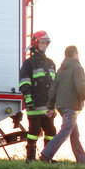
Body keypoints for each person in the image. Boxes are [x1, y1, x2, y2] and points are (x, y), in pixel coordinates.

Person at [40, 46, 85, 164]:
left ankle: (82, 161)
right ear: (74, 54)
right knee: (65, 132)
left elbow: (53, 89)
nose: (79, 55)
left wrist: (50, 107)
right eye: (78, 53)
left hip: (61, 106)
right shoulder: (77, 67)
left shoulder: (61, 70)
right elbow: (81, 88)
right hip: (71, 106)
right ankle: (46, 154)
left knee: (74, 134)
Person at [19, 30, 57, 162]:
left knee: (51, 132)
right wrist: (28, 98)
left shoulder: (51, 63)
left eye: (46, 43)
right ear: (36, 43)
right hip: (35, 105)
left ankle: (46, 157)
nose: (45, 45)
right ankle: (30, 159)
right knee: (34, 132)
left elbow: (55, 85)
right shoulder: (29, 63)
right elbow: (24, 82)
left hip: (48, 106)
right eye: (42, 42)